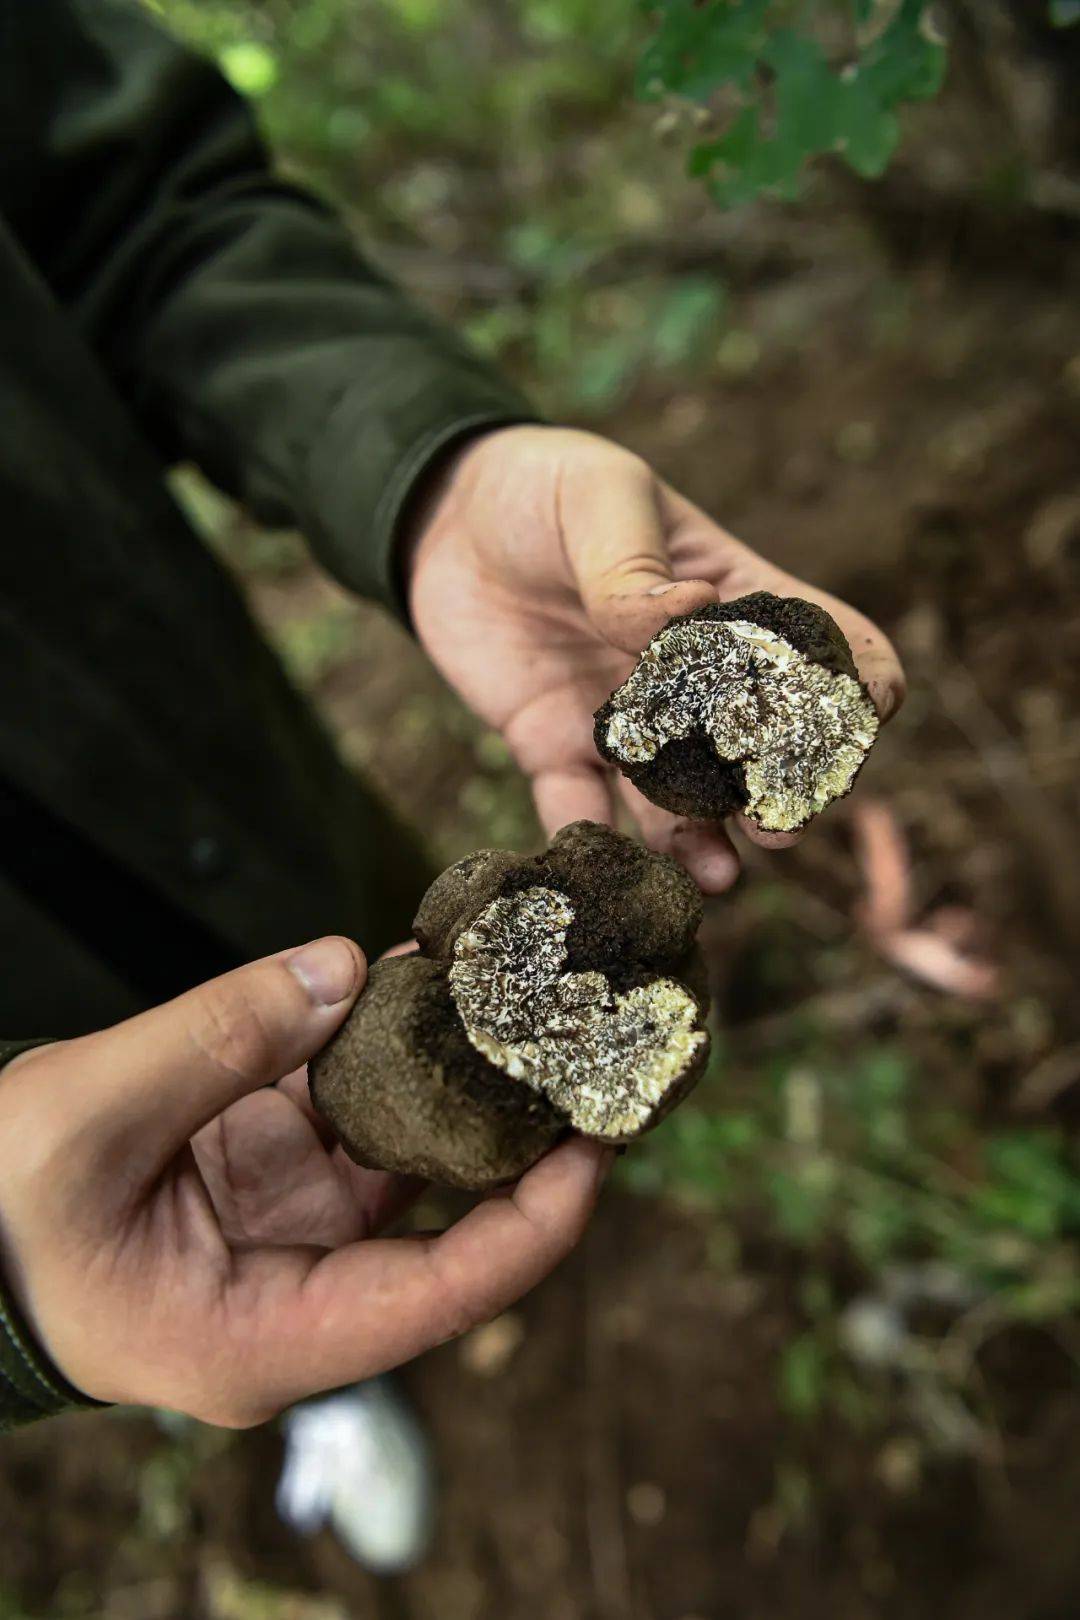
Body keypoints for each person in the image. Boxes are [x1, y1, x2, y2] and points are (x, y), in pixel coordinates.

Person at [0, 0, 903, 1453]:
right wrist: (8, 1311)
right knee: (229, 1248)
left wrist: (424, 474)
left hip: (224, 766)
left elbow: (129, 214)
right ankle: (313, 1401)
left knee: (349, 986)